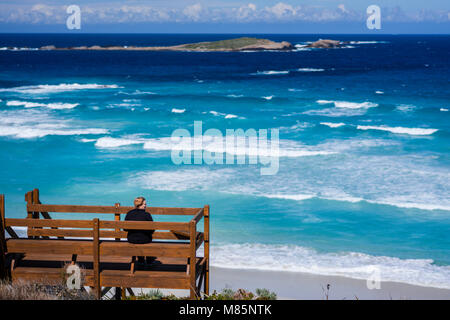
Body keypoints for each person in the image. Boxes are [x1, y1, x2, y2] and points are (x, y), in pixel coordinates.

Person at [125, 196, 156, 265]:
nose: (145, 206)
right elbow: (152, 230)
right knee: (146, 238)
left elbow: (125, 228)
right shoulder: (147, 215)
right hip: (145, 239)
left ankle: (141, 259)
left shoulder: (129, 213)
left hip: (131, 239)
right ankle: (149, 260)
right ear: (140, 205)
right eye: (144, 204)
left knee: (139, 237)